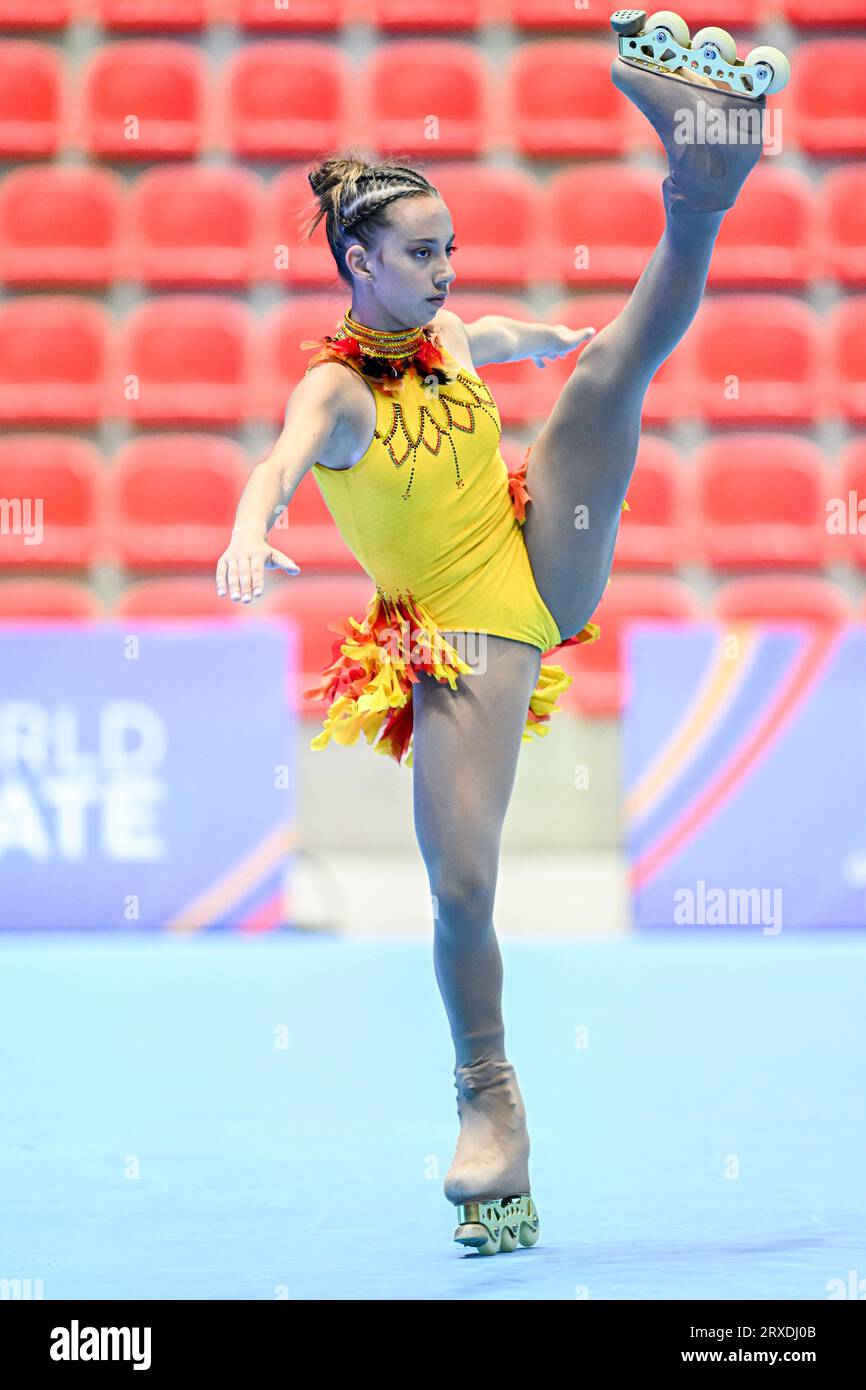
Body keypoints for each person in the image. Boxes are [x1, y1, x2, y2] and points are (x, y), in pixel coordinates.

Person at [216, 15, 786, 1255]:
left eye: (452, 252)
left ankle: (702, 178)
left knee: (604, 379)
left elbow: (515, 338)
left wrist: (565, 338)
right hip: (459, 633)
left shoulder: (456, 336)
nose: (444, 274)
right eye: (422, 255)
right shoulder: (337, 390)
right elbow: (274, 461)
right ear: (357, 258)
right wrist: (251, 531)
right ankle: (489, 1092)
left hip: (540, 556)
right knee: (461, 884)